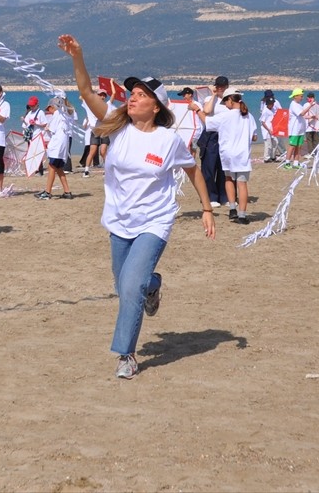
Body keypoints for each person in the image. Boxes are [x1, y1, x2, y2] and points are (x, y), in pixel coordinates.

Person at [57, 34, 215, 381]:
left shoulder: (169, 140)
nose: (133, 99)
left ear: (156, 106)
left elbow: (192, 170)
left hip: (154, 223)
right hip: (119, 220)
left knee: (130, 287)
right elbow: (85, 92)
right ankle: (153, 284)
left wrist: (206, 208)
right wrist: (78, 56)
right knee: (126, 285)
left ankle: (125, 355)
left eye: (141, 95)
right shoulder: (117, 129)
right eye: (132, 94)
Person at [202, 92, 256, 224]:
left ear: (231, 100)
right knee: (242, 184)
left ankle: (233, 209)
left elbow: (207, 122)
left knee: (229, 179)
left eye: (225, 101)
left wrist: (197, 110)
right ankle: (242, 215)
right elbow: (254, 137)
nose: (225, 105)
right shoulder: (249, 116)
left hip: (228, 153)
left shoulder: (225, 116)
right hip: (242, 154)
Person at [196, 76, 230, 206]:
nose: (220, 88)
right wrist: (214, 96)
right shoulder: (209, 99)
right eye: (218, 86)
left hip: (225, 134)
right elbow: (207, 111)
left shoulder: (230, 100)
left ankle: (224, 196)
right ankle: (211, 196)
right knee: (209, 166)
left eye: (223, 86)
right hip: (211, 134)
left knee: (224, 167)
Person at [36, 100, 74, 200]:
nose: (49, 111)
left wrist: (46, 128)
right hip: (62, 145)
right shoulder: (64, 115)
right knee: (59, 168)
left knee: (51, 166)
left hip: (57, 145)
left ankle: (48, 192)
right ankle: (67, 191)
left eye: (49, 109)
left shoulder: (57, 114)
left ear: (53, 107)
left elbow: (51, 129)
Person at [285, 88, 307, 167]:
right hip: (294, 129)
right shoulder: (293, 104)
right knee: (292, 146)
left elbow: (304, 115)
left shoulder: (299, 105)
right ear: (296, 96)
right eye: (301, 96)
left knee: (299, 146)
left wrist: (312, 116)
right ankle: (287, 162)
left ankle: (296, 162)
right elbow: (302, 113)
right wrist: (310, 105)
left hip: (300, 130)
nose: (302, 98)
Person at [259, 90, 283, 162]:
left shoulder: (273, 108)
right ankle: (266, 158)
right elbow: (262, 122)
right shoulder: (265, 110)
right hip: (267, 130)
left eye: (273, 104)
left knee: (275, 142)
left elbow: (279, 112)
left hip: (273, 128)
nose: (272, 105)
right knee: (268, 144)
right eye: (271, 104)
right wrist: (268, 130)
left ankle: (273, 156)